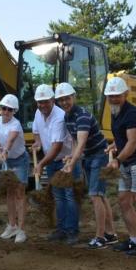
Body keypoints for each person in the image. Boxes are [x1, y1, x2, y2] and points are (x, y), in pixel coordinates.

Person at [54, 82, 118, 250]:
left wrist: (72, 163)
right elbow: (75, 141)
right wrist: (71, 155)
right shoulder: (68, 117)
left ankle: (100, 237)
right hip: (89, 156)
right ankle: (111, 234)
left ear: (73, 97)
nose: (64, 102)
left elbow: (81, 143)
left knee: (95, 195)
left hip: (99, 156)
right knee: (101, 195)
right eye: (61, 100)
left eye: (67, 98)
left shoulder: (82, 115)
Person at [103, 77, 136, 257]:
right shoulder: (114, 111)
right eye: (110, 96)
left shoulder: (132, 114)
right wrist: (115, 145)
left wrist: (116, 160)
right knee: (123, 200)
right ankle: (134, 240)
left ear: (125, 94)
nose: (113, 99)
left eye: (116, 96)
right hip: (127, 160)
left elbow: (133, 143)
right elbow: (124, 139)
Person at [30, 84, 79, 246]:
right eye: (39, 102)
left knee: (69, 196)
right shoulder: (38, 112)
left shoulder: (59, 116)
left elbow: (57, 146)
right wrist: (37, 142)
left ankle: (72, 231)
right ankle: (61, 230)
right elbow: (36, 131)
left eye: (46, 102)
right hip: (52, 161)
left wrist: (41, 164)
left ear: (52, 100)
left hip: (66, 161)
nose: (42, 105)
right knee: (58, 196)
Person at [0, 94, 30, 244]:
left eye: (10, 109)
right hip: (6, 159)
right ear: (0, 109)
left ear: (14, 111)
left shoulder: (16, 125)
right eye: (4, 108)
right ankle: (12, 225)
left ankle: (21, 230)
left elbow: (10, 140)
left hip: (20, 160)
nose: (6, 112)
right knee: (9, 193)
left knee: (19, 193)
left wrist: (5, 150)